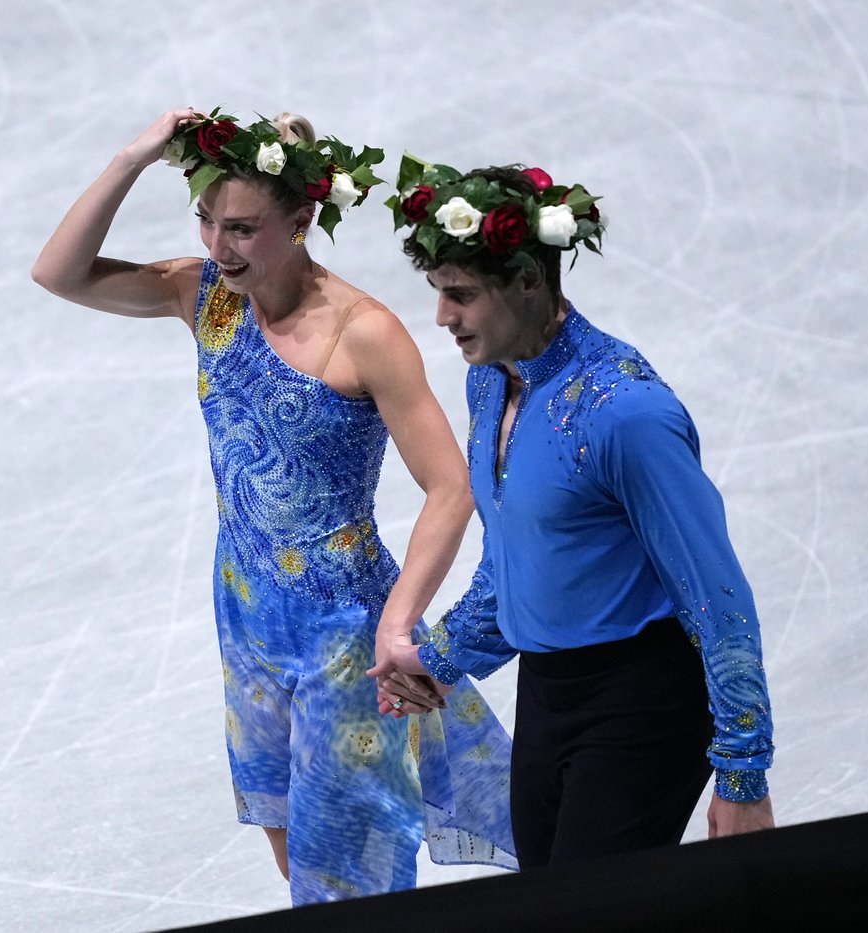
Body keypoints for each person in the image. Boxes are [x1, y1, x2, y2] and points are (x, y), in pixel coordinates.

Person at [31, 110, 516, 905]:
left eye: (245, 229)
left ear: (303, 220)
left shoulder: (366, 334)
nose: (221, 247)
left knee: (347, 872)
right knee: (299, 858)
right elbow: (59, 272)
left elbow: (451, 486)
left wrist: (400, 622)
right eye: (209, 222)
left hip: (341, 634)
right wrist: (132, 157)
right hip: (246, 611)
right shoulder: (203, 297)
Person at [368, 155, 777, 869]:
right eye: (437, 292)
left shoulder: (626, 413)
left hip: (645, 698)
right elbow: (517, 563)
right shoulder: (491, 384)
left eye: (460, 294)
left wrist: (744, 772)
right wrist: (442, 658)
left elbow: (719, 597)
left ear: (530, 279)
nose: (441, 317)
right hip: (550, 692)